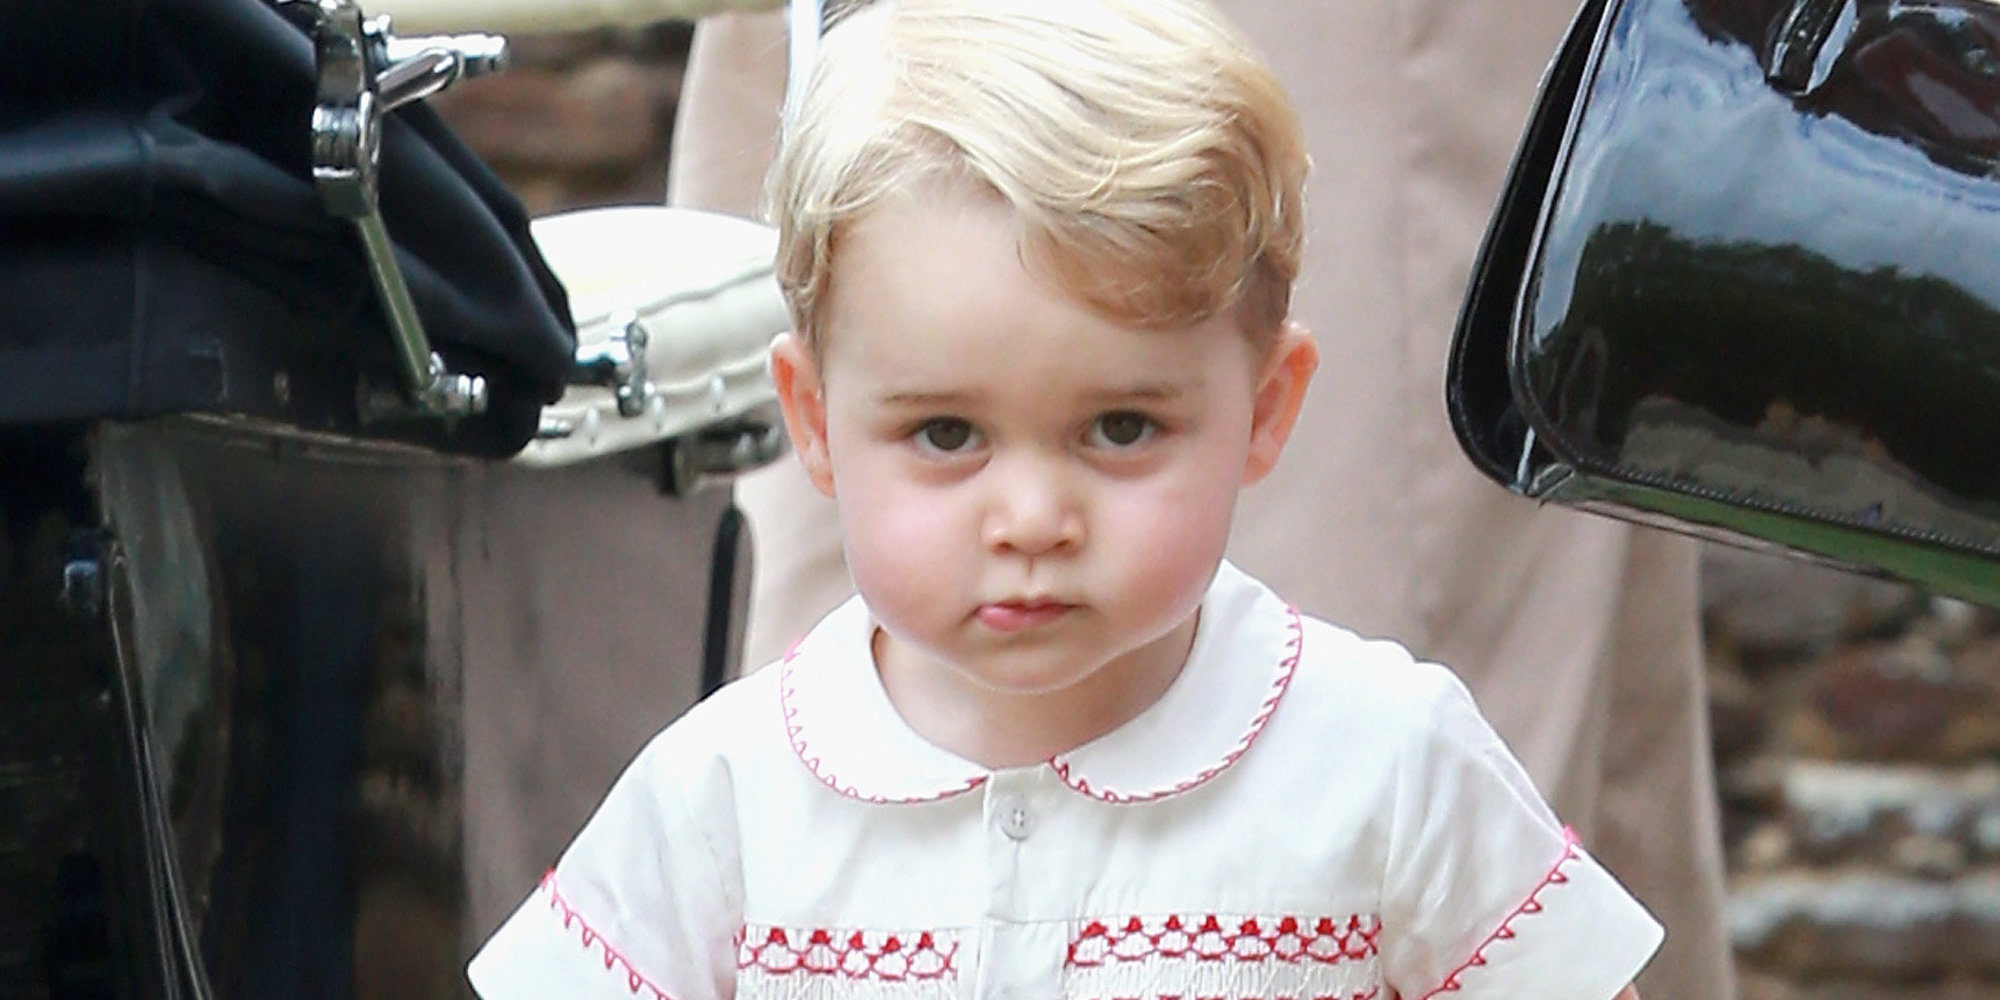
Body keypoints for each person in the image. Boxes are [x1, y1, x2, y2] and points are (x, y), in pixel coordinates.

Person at [467, 2, 1660, 997]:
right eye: (946, 433)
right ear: (815, 420)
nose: (1032, 518)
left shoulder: (1387, 762)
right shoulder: (727, 794)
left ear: (1267, 401)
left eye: (1120, 427)